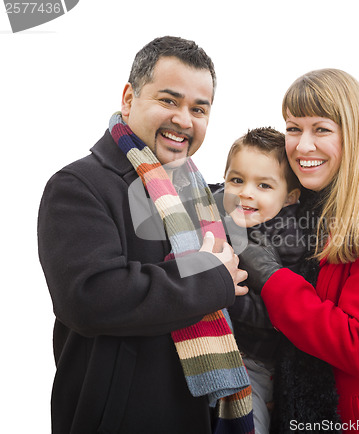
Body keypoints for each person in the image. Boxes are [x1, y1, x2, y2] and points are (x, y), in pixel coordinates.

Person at [38, 36, 254, 434]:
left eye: (198, 109)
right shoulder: (78, 186)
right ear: (128, 98)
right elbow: (90, 298)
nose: (184, 120)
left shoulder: (201, 195)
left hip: (199, 418)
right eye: (169, 101)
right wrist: (211, 278)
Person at [239, 69, 359, 433]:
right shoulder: (308, 206)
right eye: (293, 128)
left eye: (321, 129)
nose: (302, 145)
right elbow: (242, 185)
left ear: (353, 135)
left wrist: (271, 276)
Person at [213, 127, 302, 434]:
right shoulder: (215, 213)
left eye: (264, 185)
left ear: (289, 198)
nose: (245, 192)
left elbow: (276, 314)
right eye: (236, 180)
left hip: (255, 360)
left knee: (246, 422)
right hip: (215, 348)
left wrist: (225, 295)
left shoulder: (287, 238)